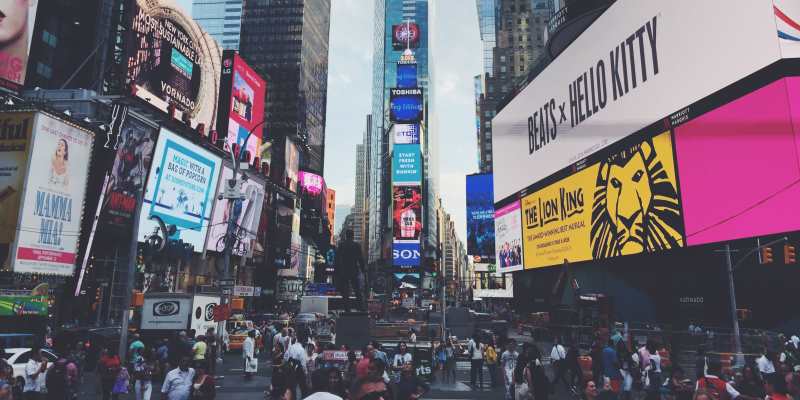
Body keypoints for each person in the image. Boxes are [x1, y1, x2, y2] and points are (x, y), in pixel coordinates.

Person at [334, 229, 365, 311]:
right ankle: (361, 308)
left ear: (346, 236)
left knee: (345, 292)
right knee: (357, 290)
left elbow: (336, 259)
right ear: (353, 235)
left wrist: (336, 271)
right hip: (354, 270)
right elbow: (360, 259)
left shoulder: (342, 245)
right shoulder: (356, 245)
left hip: (344, 271)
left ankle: (347, 309)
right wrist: (363, 269)